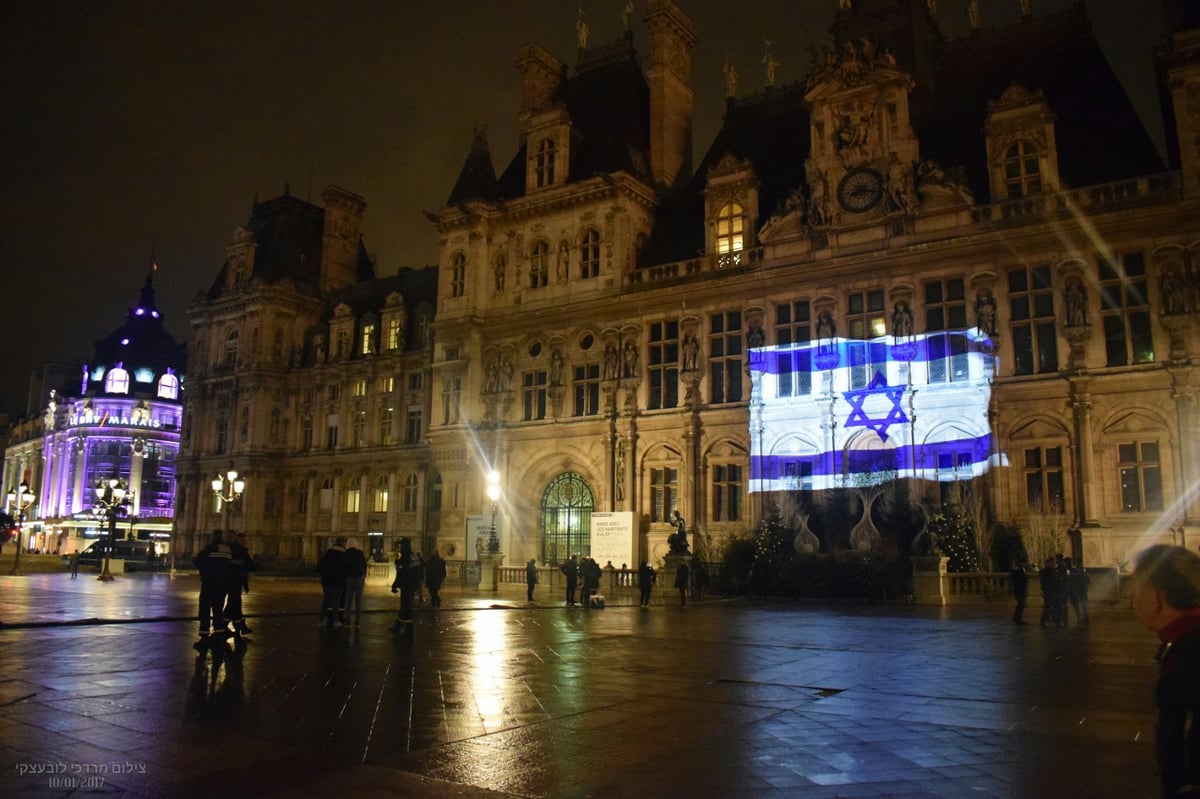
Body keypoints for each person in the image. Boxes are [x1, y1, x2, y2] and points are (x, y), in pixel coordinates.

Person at [1132, 545, 1200, 798]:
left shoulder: (1189, 655)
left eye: (1136, 589)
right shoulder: (1185, 641)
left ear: (1154, 596)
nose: (1134, 601)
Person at [193, 530, 233, 644]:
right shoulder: (227, 549)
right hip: (223, 584)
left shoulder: (210, 548)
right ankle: (219, 634)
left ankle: (204, 636)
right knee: (218, 610)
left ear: (213, 537)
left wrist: (203, 573)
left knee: (205, 609)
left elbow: (197, 560)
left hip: (209, 583)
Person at [224, 531, 255, 636]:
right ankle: (231, 626)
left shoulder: (235, 550)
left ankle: (239, 626)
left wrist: (245, 583)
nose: (244, 542)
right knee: (234, 604)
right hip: (234, 581)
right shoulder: (239, 551)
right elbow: (247, 566)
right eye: (242, 540)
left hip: (234, 581)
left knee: (234, 604)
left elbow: (244, 568)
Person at [390, 538, 422, 639]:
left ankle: (406, 630)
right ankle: (401, 627)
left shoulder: (405, 557)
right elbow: (418, 571)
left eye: (401, 545)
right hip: (413, 585)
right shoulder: (414, 556)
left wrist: (395, 585)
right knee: (406, 606)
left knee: (405, 606)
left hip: (406, 585)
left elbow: (401, 573)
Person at [317, 537, 347, 627]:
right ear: (342, 544)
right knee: (336, 601)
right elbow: (345, 568)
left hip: (326, 580)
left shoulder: (328, 554)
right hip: (337, 581)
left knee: (326, 600)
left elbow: (319, 567)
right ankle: (335, 621)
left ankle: (321, 620)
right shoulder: (343, 554)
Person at [342, 537, 368, 626]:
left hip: (349, 578)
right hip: (358, 578)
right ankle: (357, 621)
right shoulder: (360, 553)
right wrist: (363, 576)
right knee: (358, 600)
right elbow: (364, 565)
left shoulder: (345, 554)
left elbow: (343, 567)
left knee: (348, 600)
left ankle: (347, 620)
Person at [1010, 556, 1029, 625]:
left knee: (1020, 604)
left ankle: (1016, 618)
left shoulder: (1021, 569)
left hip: (1021, 589)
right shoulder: (1017, 569)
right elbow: (1015, 578)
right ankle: (1017, 619)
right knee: (1020, 604)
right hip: (1019, 589)